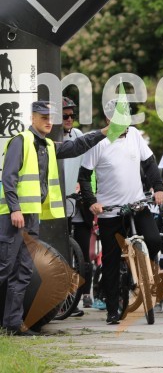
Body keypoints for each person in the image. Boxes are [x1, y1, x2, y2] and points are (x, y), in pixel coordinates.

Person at [0, 101, 107, 336]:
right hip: (13, 217)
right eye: (43, 117)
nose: (49, 121)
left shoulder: (47, 145)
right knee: (5, 268)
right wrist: (15, 208)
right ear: (33, 118)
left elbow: (77, 146)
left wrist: (104, 133)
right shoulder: (21, 140)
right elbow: (8, 177)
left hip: (31, 217)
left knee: (24, 271)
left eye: (51, 118)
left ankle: (12, 324)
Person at [79, 99, 163, 326]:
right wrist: (92, 202)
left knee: (155, 240)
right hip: (110, 211)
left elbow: (150, 163)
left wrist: (158, 188)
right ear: (108, 120)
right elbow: (84, 176)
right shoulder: (98, 142)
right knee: (111, 261)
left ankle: (141, 273)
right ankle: (112, 310)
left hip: (137, 204)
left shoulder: (135, 135)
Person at [60, 96, 95, 311]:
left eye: (72, 115)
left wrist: (87, 192)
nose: (69, 119)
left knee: (83, 255)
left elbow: (87, 169)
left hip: (78, 204)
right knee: (62, 255)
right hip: (57, 204)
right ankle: (63, 300)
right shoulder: (49, 139)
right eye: (65, 116)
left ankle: (79, 296)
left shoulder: (78, 136)